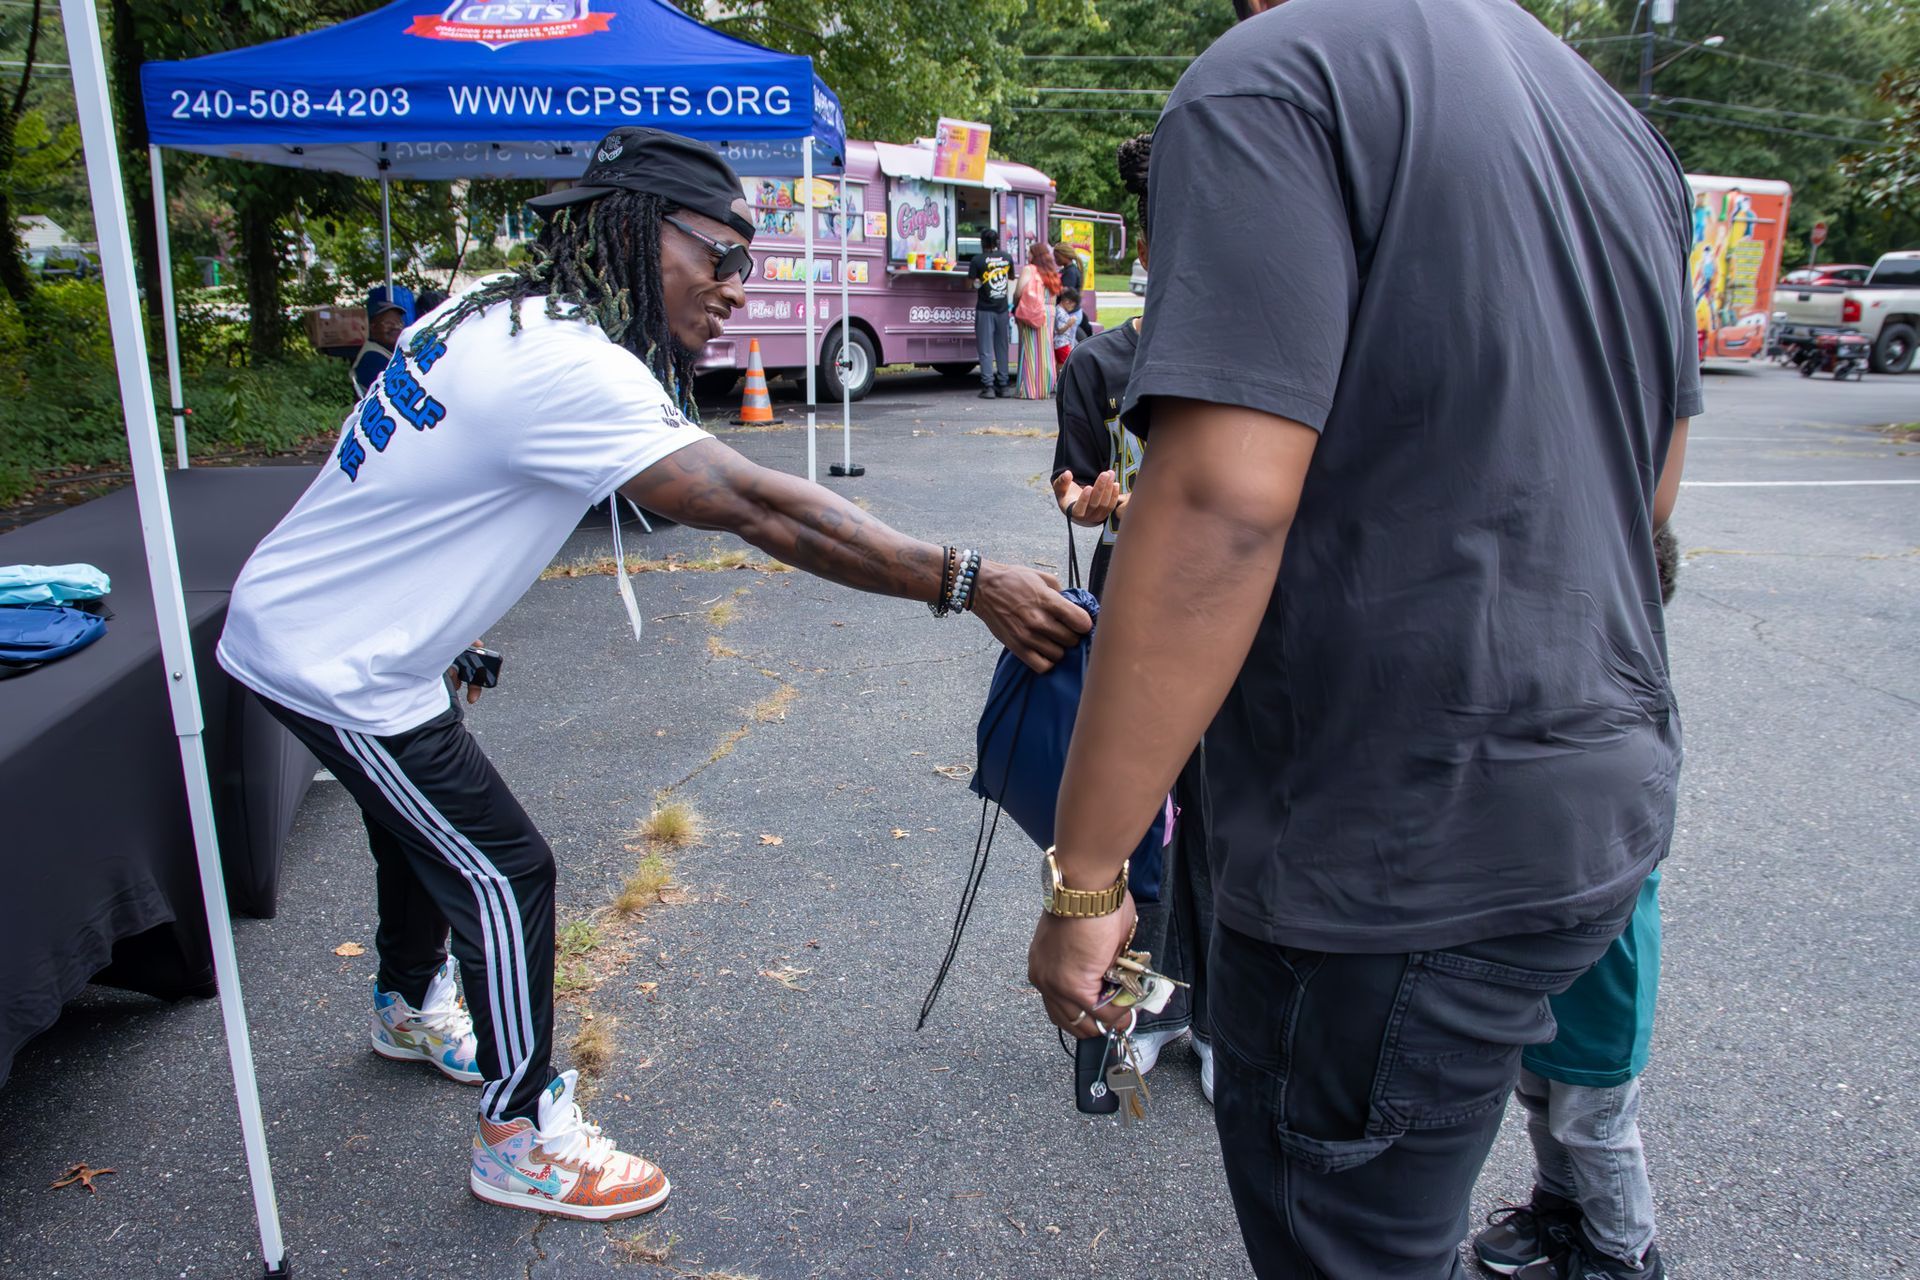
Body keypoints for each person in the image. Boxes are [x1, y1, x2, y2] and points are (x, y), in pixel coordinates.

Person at [218, 127, 1089, 1225]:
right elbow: (759, 504)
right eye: (720, 255)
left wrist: (440, 636)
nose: (736, 287)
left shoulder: (498, 311)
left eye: (748, 262)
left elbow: (409, 477)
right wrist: (968, 578)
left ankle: (403, 998)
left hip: (328, 625)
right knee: (504, 865)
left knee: (418, 825)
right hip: (330, 657)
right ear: (635, 230)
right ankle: (522, 1131)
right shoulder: (564, 362)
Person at [1024, 0, 1698, 1274]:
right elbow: (1650, 494)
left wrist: (1088, 878)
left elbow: (1220, 505)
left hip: (1388, 842)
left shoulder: (1275, 77)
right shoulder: (1616, 128)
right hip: (1595, 802)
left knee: (1355, 1245)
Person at [1047, 130, 1215, 1101]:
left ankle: (1221, 1017)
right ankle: (1136, 1012)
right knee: (1138, 832)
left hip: (1246, 632)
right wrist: (1092, 501)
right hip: (1133, 622)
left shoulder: (1265, 356)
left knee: (1224, 829)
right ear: (1146, 253)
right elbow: (1068, 485)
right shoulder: (1098, 366)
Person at [1472, 526, 1681, 1280]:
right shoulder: (1554, 691)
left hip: (1603, 983)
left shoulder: (1622, 721)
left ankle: (1624, 1251)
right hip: (1544, 971)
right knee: (1540, 1099)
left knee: (1594, 1124)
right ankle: (1560, 1209)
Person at [966, 228, 1015, 398]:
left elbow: (969, 285)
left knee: (985, 349)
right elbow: (1010, 278)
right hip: (1002, 309)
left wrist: (979, 283)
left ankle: (988, 387)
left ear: (982, 242)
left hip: (985, 309)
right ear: (997, 242)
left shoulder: (977, 260)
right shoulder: (1007, 258)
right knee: (1002, 347)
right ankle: (1004, 385)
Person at [1014, 241, 1061, 400]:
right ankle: (1044, 388)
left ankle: (1029, 389)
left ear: (1035, 255)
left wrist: (1015, 303)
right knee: (1045, 351)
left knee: (1030, 349)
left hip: (1034, 311)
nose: (1027, 255)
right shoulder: (1051, 271)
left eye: (1029, 252)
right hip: (1049, 312)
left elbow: (1019, 290)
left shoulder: (1030, 269)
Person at [352, 284, 414, 398]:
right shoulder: (372, 358)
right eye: (388, 323)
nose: (396, 327)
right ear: (373, 327)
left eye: (399, 322)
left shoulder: (388, 349)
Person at [1052, 287, 1083, 373]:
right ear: (1067, 301)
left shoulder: (1060, 310)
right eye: (1072, 306)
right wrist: (1069, 324)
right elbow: (1059, 330)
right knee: (1064, 365)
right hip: (1061, 344)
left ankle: (1058, 381)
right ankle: (1060, 382)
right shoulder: (1060, 312)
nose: (1072, 309)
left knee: (1061, 364)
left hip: (1062, 343)